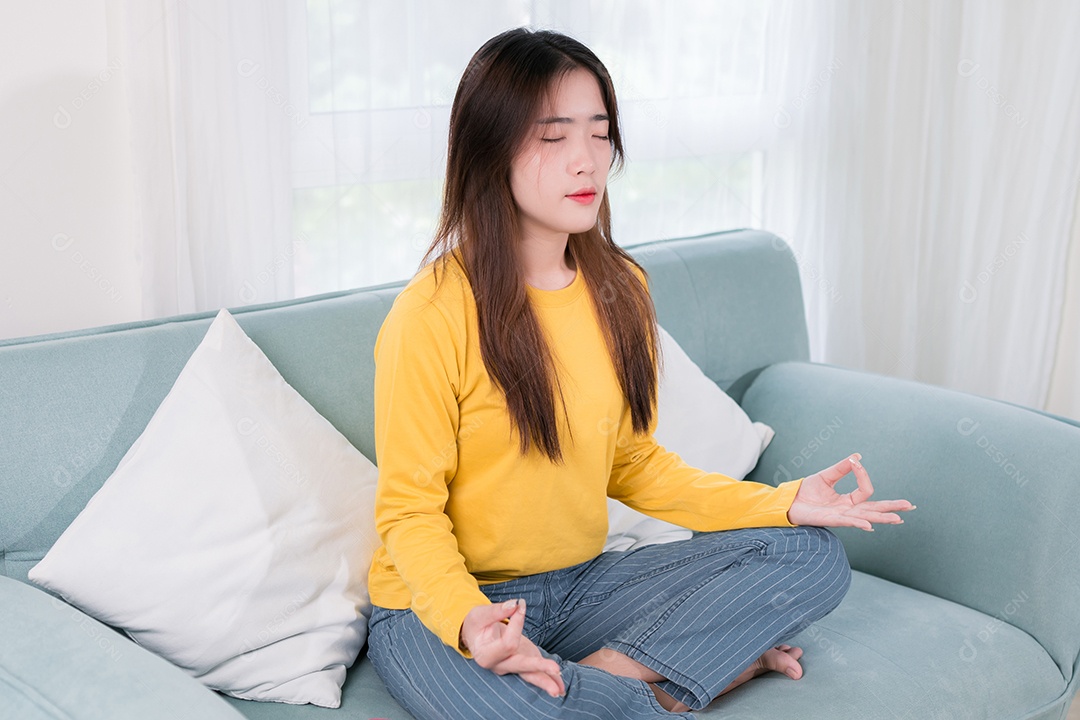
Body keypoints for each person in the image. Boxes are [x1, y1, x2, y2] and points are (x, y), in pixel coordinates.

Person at [365, 27, 914, 719]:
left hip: (581, 587)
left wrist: (781, 501)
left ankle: (609, 686)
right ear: (489, 149)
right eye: (554, 136)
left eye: (599, 134)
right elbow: (409, 513)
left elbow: (633, 465)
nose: (586, 161)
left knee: (813, 557)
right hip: (444, 607)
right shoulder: (431, 313)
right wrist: (470, 621)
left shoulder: (619, 287)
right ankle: (683, 683)